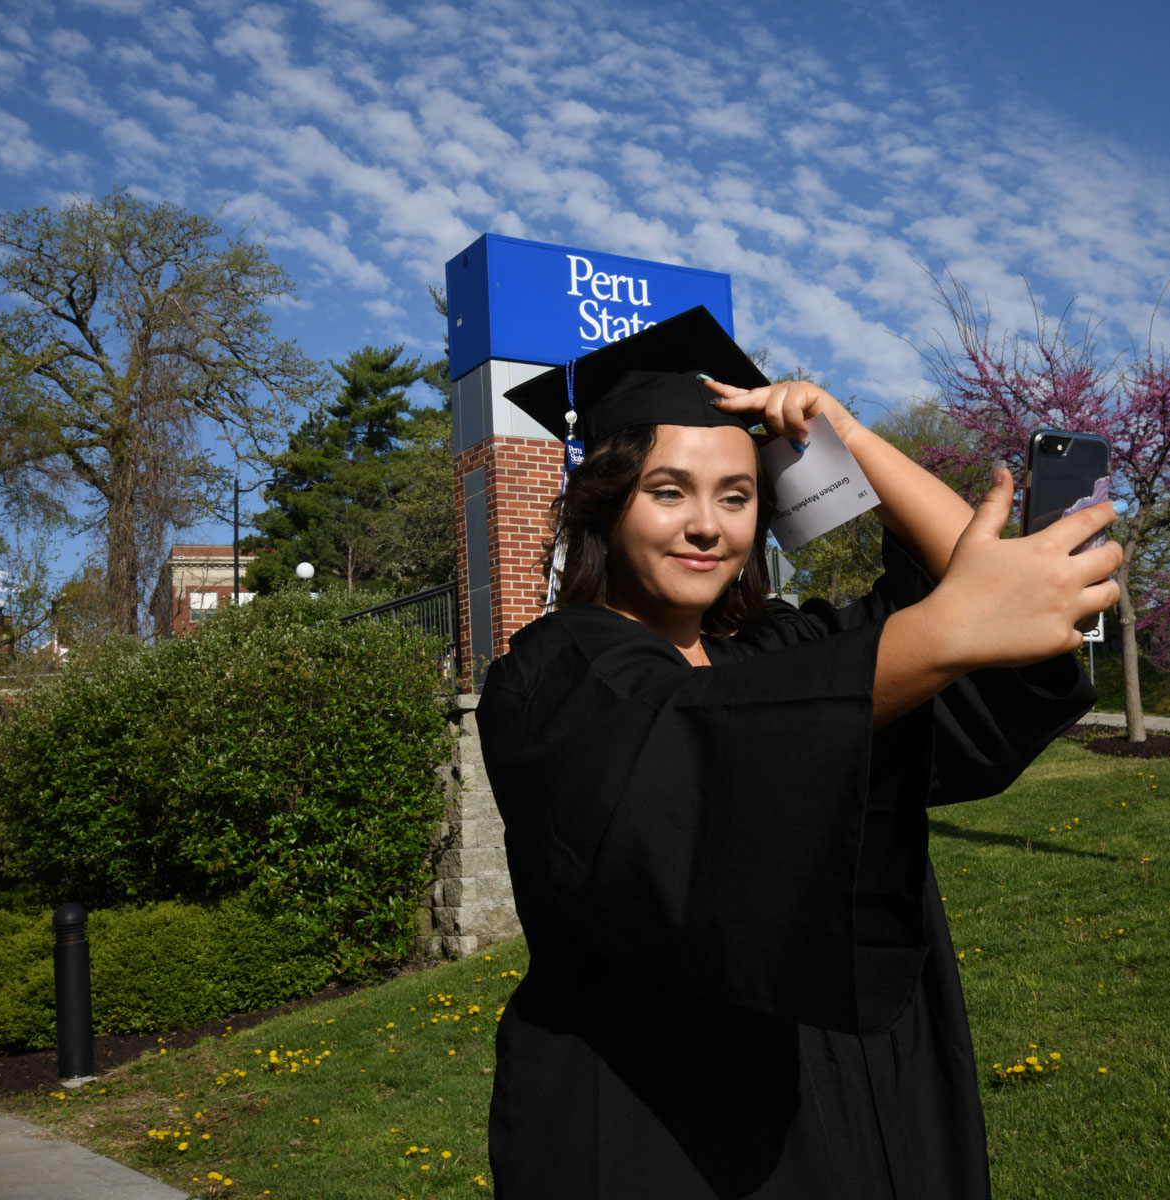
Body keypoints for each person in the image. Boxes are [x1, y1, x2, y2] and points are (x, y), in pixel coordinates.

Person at [477, 307, 1121, 1199]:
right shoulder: (553, 675)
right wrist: (940, 633)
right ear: (605, 501)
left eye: (736, 497)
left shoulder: (780, 651)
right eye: (668, 491)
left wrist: (848, 436)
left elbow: (968, 593)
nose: (707, 525)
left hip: (854, 1093)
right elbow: (701, 744)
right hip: (661, 1121)